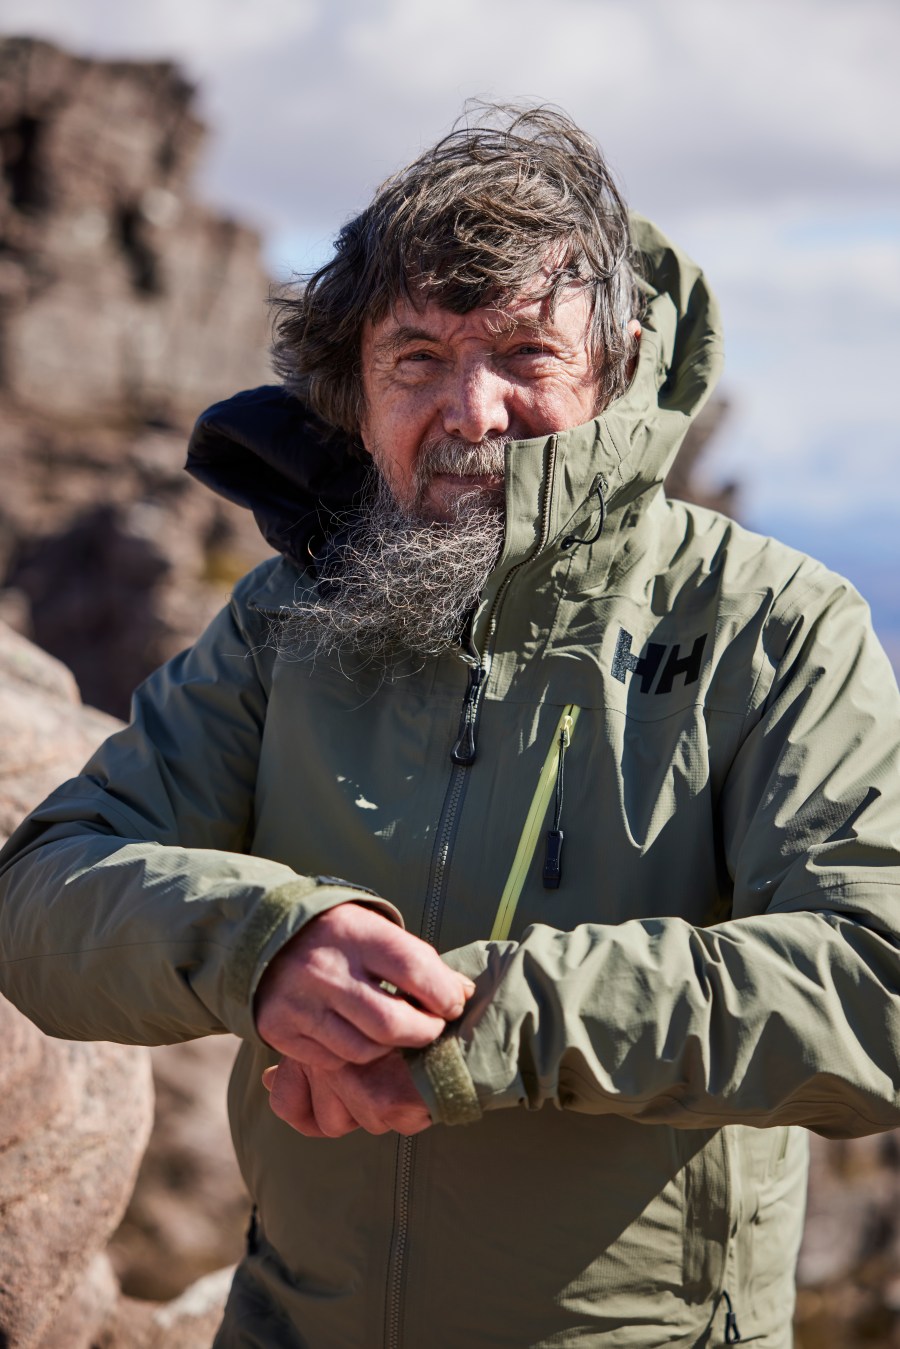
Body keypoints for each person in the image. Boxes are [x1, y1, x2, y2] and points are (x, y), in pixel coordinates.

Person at [1, 103, 899, 1348]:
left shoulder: (776, 627)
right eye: (416, 357)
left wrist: (498, 1019)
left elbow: (874, 982)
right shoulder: (281, 621)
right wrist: (266, 943)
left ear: (619, 368)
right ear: (357, 393)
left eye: (526, 352)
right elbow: (41, 885)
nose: (469, 409)